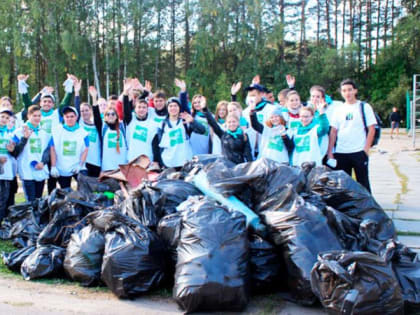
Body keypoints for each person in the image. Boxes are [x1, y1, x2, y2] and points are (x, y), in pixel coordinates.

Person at [327, 79, 377, 192]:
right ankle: (348, 208)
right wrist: (330, 152)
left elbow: (372, 129)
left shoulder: (364, 107)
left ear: (355, 90)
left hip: (359, 151)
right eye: (344, 90)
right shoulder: (338, 109)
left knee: (363, 182)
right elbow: (333, 132)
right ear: (341, 92)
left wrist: (366, 149)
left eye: (350, 90)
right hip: (341, 152)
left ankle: (367, 208)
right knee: (344, 184)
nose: (347, 93)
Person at [152, 97, 205, 169]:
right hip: (168, 163)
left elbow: (202, 131)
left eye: (175, 106)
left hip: (185, 162)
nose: (173, 108)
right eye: (170, 106)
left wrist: (193, 121)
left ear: (179, 108)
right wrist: (158, 161)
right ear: (167, 108)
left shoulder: (185, 122)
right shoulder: (162, 124)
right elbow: (157, 144)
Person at [12, 105, 51, 201]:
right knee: (30, 201)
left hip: (40, 169)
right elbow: (14, 152)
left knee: (39, 200)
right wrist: (24, 138)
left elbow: (48, 150)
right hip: (27, 171)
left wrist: (43, 162)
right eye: (34, 116)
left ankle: (37, 216)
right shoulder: (18, 132)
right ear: (28, 116)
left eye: (39, 116)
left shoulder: (44, 132)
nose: (37, 118)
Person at [89, 86, 128, 172]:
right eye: (108, 114)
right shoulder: (103, 127)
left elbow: (126, 110)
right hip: (107, 167)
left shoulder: (122, 126)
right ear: (105, 117)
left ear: (116, 116)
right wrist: (94, 98)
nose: (110, 116)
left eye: (113, 114)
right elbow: (96, 116)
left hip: (123, 166)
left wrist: (125, 92)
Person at [50, 106, 89, 188]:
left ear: (76, 117)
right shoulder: (57, 131)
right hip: (62, 167)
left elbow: (86, 149)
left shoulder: (83, 133)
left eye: (72, 116)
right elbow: (52, 148)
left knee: (83, 190)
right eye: (67, 117)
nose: (69, 119)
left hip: (78, 167)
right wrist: (53, 166)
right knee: (65, 192)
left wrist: (80, 165)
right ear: (63, 118)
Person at [123, 78, 160, 162]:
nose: (141, 109)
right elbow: (126, 109)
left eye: (144, 107)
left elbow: (155, 145)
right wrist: (125, 93)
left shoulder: (153, 125)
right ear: (135, 109)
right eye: (139, 107)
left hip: (147, 161)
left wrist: (156, 161)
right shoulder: (131, 120)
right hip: (132, 159)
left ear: (147, 109)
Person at [74, 79, 101, 177]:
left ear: (91, 111)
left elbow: (97, 115)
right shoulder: (79, 123)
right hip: (83, 163)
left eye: (87, 110)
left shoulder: (97, 125)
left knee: (96, 190)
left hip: (96, 162)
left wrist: (94, 97)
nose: (84, 112)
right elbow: (76, 109)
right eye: (82, 111)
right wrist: (76, 92)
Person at [0, 107, 17, 221]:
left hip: (6, 172)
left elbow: (15, 152)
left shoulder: (9, 133)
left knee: (4, 200)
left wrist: (12, 150)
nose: (4, 119)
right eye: (2, 116)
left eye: (7, 117)